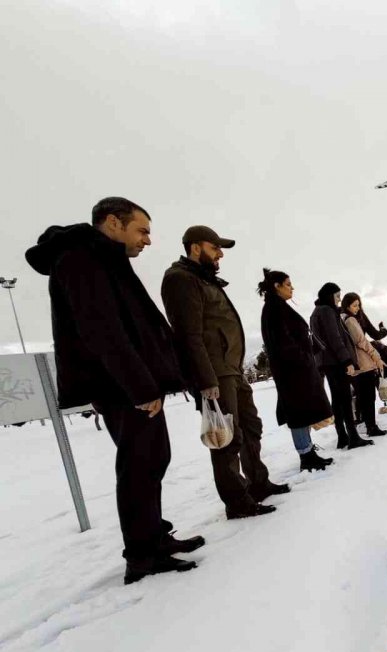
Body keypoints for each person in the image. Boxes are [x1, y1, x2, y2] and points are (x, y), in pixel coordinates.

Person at [25, 197, 203, 584]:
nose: (148, 240)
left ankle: (154, 536)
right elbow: (101, 330)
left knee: (154, 459)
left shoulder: (104, 258)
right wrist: (140, 386)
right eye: (142, 230)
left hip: (131, 382)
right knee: (139, 465)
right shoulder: (80, 259)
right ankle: (142, 555)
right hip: (121, 385)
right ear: (113, 222)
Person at [161, 226, 283, 518]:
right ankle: (238, 502)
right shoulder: (180, 279)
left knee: (251, 427)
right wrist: (205, 380)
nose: (220, 255)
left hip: (232, 369)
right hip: (214, 373)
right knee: (226, 438)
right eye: (215, 248)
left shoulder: (205, 279)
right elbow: (189, 335)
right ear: (195, 247)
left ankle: (258, 483)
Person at [258, 269, 336, 471]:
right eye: (288, 284)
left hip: (297, 369)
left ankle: (308, 452)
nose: (292, 288)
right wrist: (303, 357)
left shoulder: (278, 307)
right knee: (298, 413)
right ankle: (306, 455)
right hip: (292, 371)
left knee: (302, 412)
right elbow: (284, 343)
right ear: (276, 286)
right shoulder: (274, 309)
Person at [309, 282, 372, 449]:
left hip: (327, 362)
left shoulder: (316, 312)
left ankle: (342, 436)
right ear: (329, 296)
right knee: (344, 399)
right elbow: (334, 338)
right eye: (337, 296)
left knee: (337, 400)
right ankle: (353, 437)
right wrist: (347, 361)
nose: (338, 300)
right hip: (336, 361)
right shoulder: (327, 311)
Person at [341, 292, 387, 437]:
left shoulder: (342, 318)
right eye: (354, 305)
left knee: (363, 396)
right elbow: (361, 341)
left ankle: (368, 425)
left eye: (359, 305)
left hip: (356, 363)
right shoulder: (350, 320)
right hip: (363, 362)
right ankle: (372, 427)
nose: (358, 308)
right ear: (347, 306)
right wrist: (376, 357)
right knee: (369, 396)